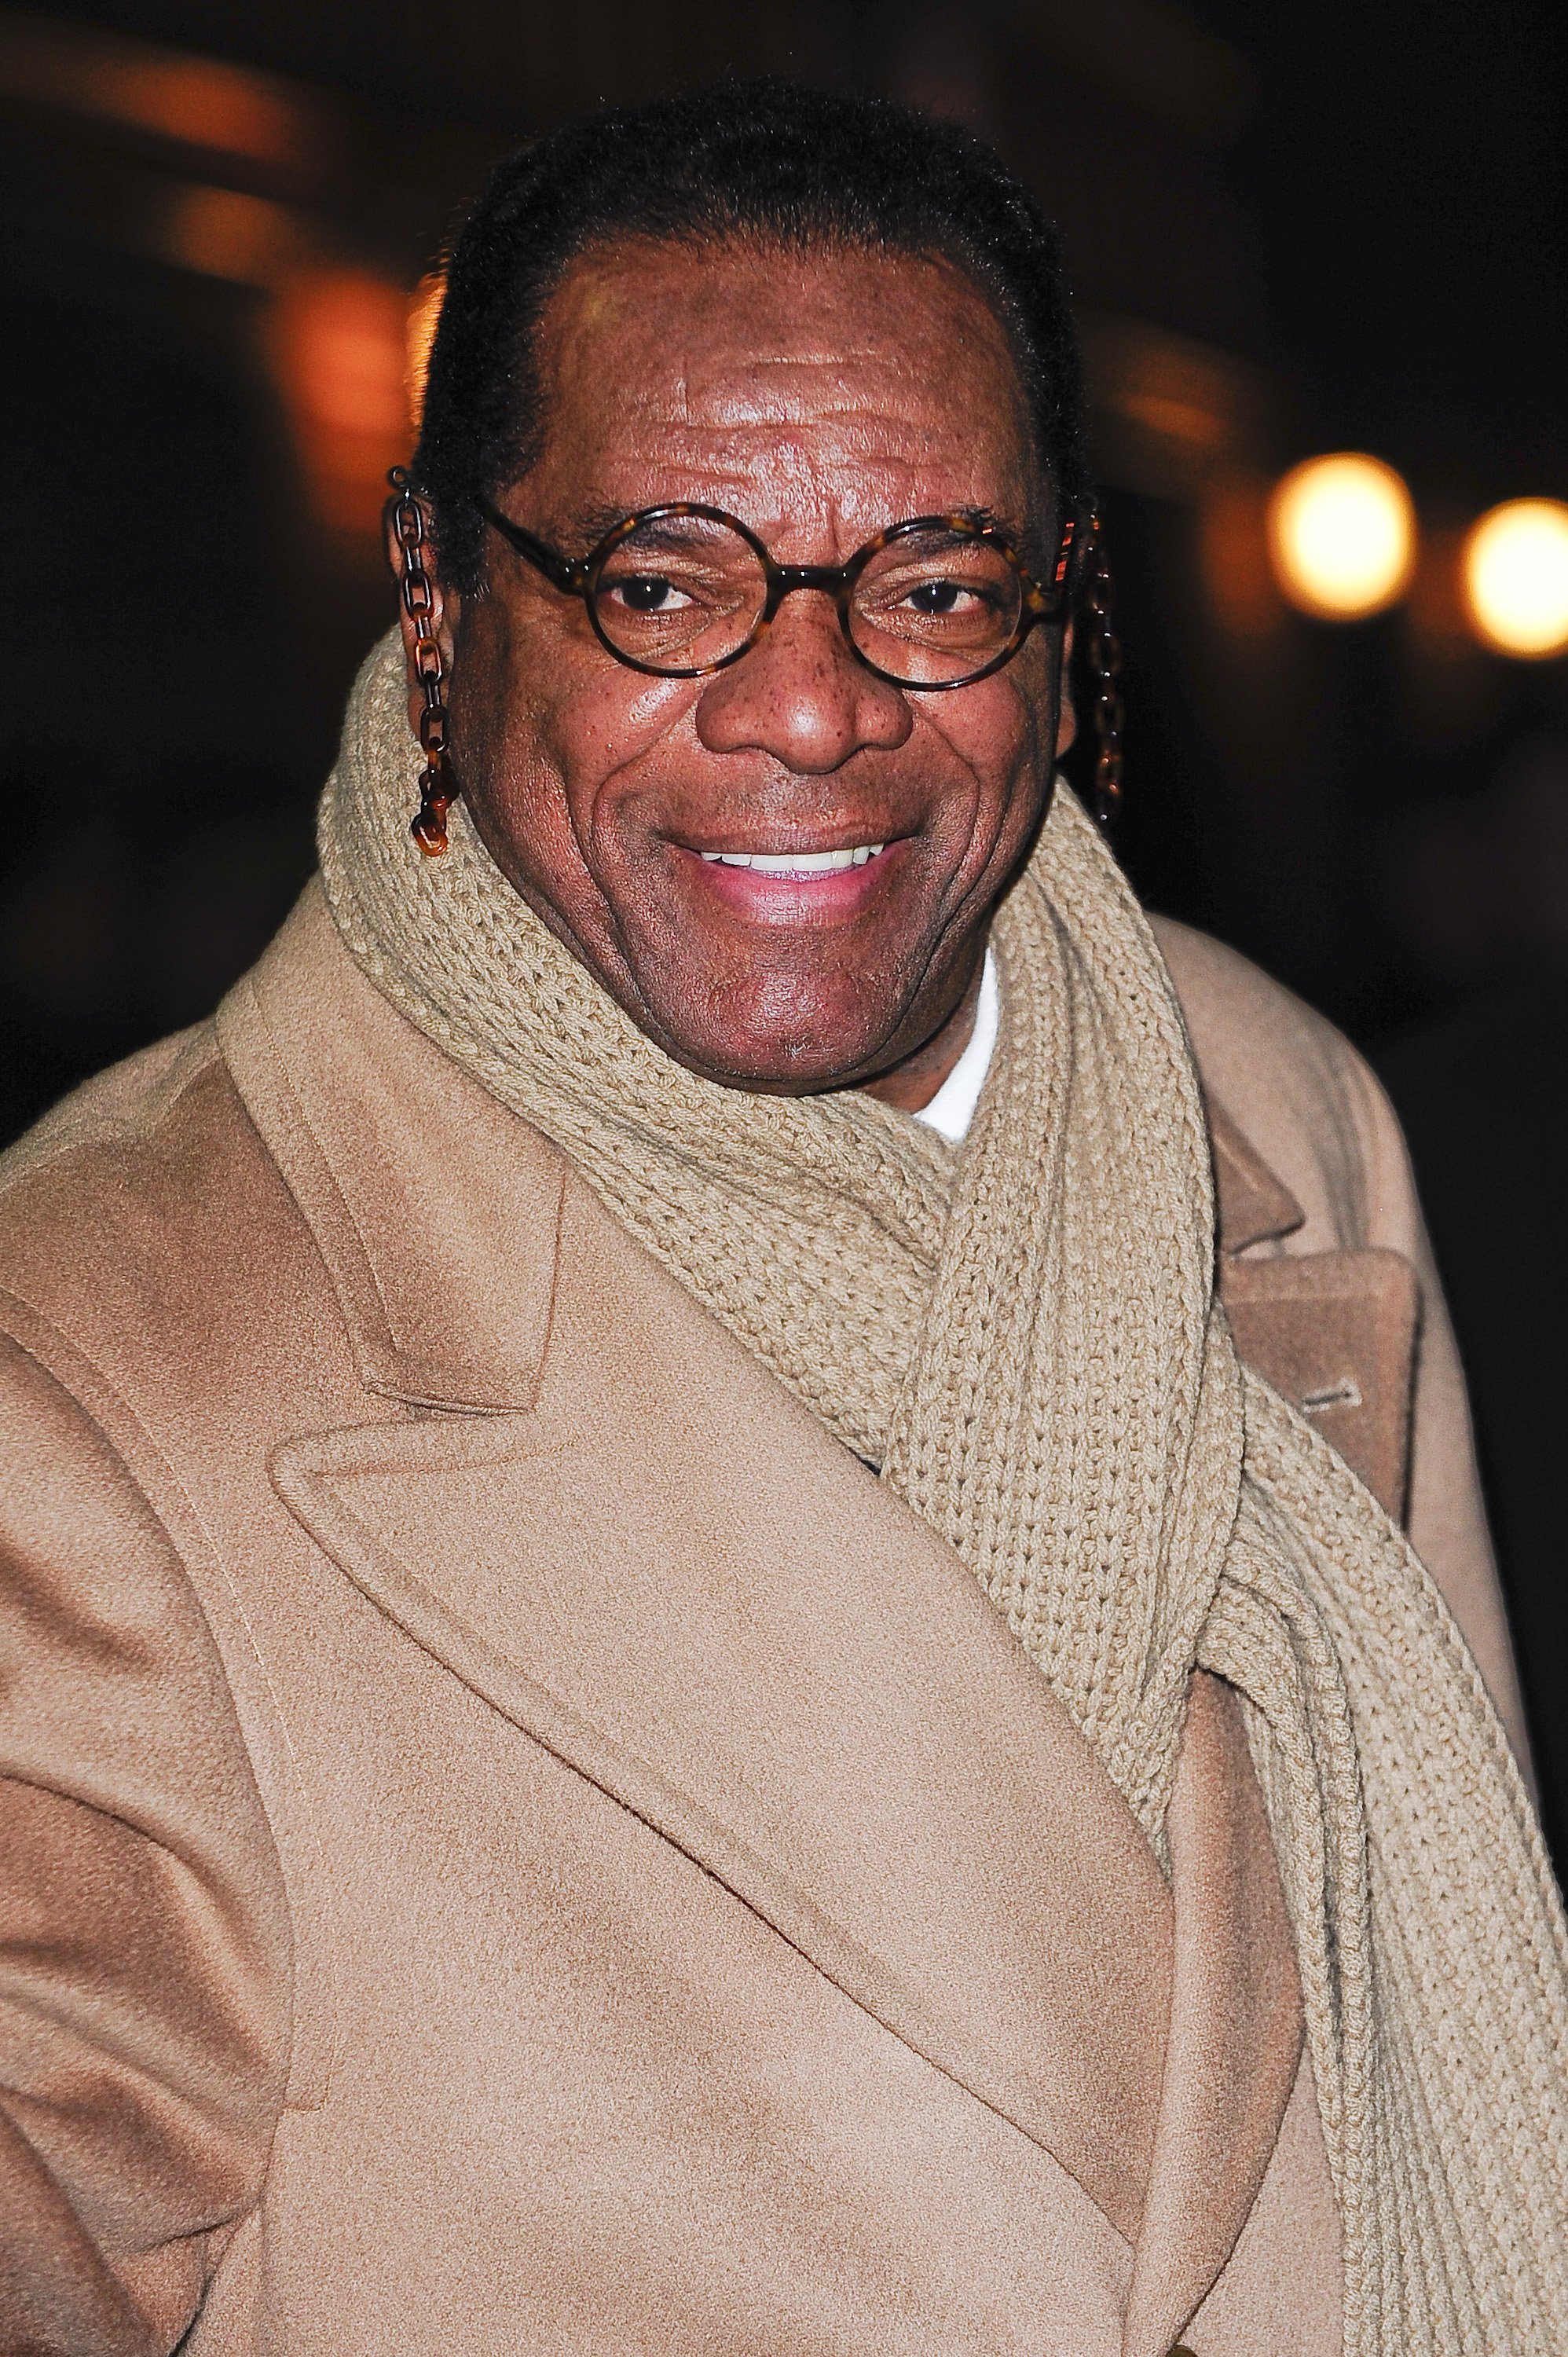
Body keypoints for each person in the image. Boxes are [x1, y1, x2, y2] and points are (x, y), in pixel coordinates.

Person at [0, 79, 1563, 2357]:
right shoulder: (99, 1349)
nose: (813, 706)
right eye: (664, 583)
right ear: (441, 600)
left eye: (930, 584)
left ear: (1058, 621)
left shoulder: (1266, 1112)